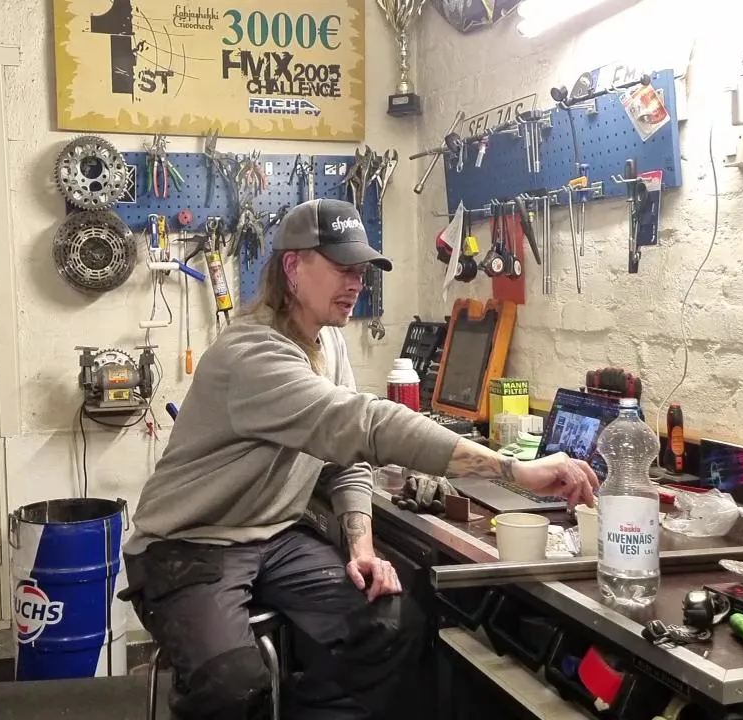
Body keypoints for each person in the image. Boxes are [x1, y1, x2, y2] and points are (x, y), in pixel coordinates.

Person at [121, 198, 599, 720]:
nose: (357, 283)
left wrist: (362, 547)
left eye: (362, 272)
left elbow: (347, 456)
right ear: (292, 267)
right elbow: (365, 424)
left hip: (272, 538)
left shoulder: (328, 342)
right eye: (343, 268)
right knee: (232, 685)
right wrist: (514, 469)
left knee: (393, 626)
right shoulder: (253, 353)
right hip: (189, 545)